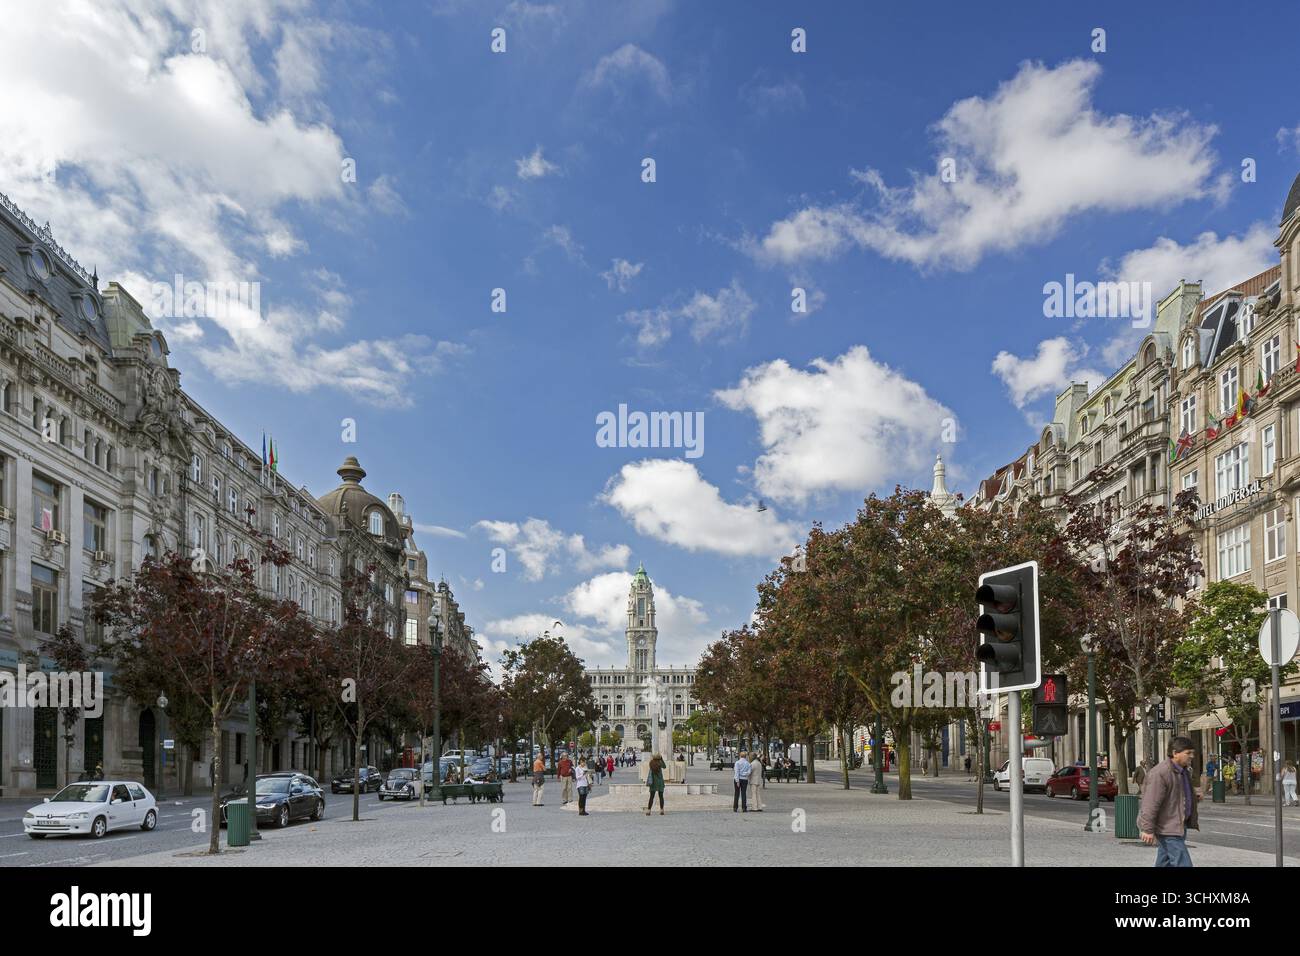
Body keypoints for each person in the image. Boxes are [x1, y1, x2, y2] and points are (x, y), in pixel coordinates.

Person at [1137, 736, 1200, 868]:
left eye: (1192, 753)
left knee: (1164, 863)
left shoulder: (1183, 772)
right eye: (1188, 753)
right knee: (1183, 864)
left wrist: (1194, 797)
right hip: (1168, 828)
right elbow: (1150, 803)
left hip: (1177, 825)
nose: (1192, 756)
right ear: (1175, 753)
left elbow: (1178, 795)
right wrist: (1147, 829)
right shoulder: (1161, 773)